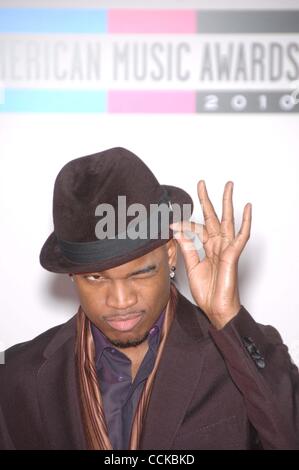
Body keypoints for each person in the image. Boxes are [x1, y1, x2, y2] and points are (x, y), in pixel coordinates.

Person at [0, 147, 298, 450]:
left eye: (139, 273)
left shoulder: (237, 358)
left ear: (171, 254)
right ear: (72, 276)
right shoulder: (17, 374)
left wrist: (226, 316)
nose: (120, 300)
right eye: (96, 277)